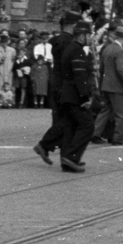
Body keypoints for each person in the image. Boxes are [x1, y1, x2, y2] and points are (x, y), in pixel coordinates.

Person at [34, 11, 80, 164]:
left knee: (64, 119)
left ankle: (63, 155)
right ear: (72, 25)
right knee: (69, 120)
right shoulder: (68, 42)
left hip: (57, 83)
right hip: (65, 85)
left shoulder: (56, 40)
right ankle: (46, 145)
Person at [51, 20, 96, 172]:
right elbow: (79, 75)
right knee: (88, 124)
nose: (90, 38)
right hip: (74, 95)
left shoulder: (71, 48)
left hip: (66, 94)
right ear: (82, 36)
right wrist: (85, 96)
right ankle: (71, 157)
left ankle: (67, 161)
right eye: (89, 35)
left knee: (71, 126)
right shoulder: (78, 50)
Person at [93, 22, 123, 145]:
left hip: (106, 85)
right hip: (116, 87)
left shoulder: (107, 48)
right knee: (121, 113)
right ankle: (118, 138)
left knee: (105, 111)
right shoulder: (119, 50)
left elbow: (102, 69)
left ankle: (94, 133)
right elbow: (121, 69)